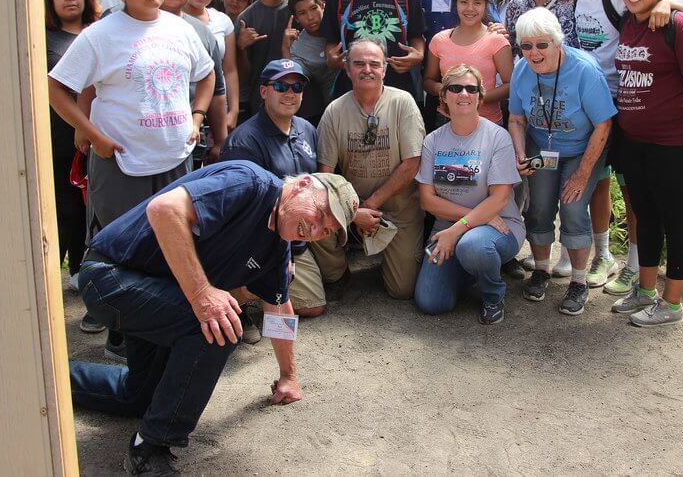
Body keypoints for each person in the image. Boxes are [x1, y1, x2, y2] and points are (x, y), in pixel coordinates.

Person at [70, 162, 356, 473]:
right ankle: (149, 448)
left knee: (140, 398)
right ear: (301, 186)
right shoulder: (250, 184)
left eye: (325, 231)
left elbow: (279, 309)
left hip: (156, 293)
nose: (315, 230)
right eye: (320, 215)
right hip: (111, 277)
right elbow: (164, 209)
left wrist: (289, 376)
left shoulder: (278, 248)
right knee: (220, 326)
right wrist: (203, 295)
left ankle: (53, 378)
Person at [48, 0, 215, 360]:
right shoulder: (101, 35)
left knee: (172, 245)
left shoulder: (180, 29)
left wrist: (196, 117)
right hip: (122, 163)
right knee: (122, 250)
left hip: (176, 158)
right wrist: (93, 136)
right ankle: (120, 333)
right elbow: (56, 89)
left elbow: (207, 74)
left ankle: (160, 331)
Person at [565, 0, 683, 293]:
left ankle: (636, 264)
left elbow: (676, 2)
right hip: (594, 102)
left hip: (626, 101)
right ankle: (604, 256)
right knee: (599, 184)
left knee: (631, 189)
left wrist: (667, 3)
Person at [609, 0, 683, 327]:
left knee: (676, 221)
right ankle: (646, 290)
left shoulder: (681, 27)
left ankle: (671, 305)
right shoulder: (628, 22)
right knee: (647, 216)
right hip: (635, 141)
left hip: (673, 144)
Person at [508, 8, 616, 315]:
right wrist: (519, 154)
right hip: (543, 149)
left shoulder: (584, 70)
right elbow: (516, 119)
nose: (534, 53)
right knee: (539, 206)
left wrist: (582, 174)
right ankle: (541, 269)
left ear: (558, 42)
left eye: (542, 45)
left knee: (572, 205)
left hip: (583, 149)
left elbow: (603, 125)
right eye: (526, 46)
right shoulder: (521, 70)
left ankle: (578, 282)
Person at [220, 59, 328, 325]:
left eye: (297, 87)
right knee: (309, 305)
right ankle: (235, 299)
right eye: (281, 86)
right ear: (264, 91)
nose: (290, 93)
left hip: (298, 235)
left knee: (323, 291)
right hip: (261, 240)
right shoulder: (244, 142)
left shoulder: (306, 129)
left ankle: (268, 286)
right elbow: (241, 214)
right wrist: (280, 257)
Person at [413, 65, 524, 324]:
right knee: (431, 302)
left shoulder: (498, 137)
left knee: (473, 245)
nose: (464, 93)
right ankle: (472, 269)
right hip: (449, 230)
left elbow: (499, 199)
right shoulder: (433, 140)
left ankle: (493, 295)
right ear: (443, 97)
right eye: (455, 88)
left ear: (479, 97)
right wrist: (464, 223)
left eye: (471, 89)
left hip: (500, 228)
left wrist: (459, 229)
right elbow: (427, 200)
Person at [316, 39, 426, 299]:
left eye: (374, 64)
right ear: (347, 69)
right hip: (352, 209)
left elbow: (412, 164)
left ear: (384, 69)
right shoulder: (334, 111)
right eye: (359, 63)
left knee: (402, 290)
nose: (367, 69)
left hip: (399, 211)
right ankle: (338, 273)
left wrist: (372, 204)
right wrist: (353, 213)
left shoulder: (403, 103)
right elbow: (325, 174)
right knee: (314, 214)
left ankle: (391, 254)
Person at [44, 0, 100, 331]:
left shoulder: (100, 33)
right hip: (61, 139)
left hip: (102, 138)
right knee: (65, 209)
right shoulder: (43, 38)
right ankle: (59, 278)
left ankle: (87, 276)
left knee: (93, 213)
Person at [155, 0, 228, 163]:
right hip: (138, 140)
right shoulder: (128, 24)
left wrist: (220, 141)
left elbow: (217, 90)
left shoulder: (202, 32)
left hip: (188, 138)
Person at [423, 0, 512, 124]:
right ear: (455, 4)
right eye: (464, 2)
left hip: (487, 122)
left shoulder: (497, 40)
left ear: (486, 6)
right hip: (447, 121)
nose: (470, 8)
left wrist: (475, 98)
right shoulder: (439, 40)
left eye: (477, 3)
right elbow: (428, 81)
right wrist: (444, 91)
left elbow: (510, 86)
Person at [185, 0, 241, 132]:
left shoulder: (222, 21)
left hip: (218, 102)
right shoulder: (174, 20)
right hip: (186, 104)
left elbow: (229, 69)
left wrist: (233, 110)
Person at [235, 0, 291, 115]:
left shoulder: (297, 6)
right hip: (262, 101)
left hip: (297, 93)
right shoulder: (246, 18)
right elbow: (243, 74)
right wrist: (241, 48)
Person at [283, 0, 337, 125]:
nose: (310, 17)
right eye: (302, 13)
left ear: (323, 6)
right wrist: (285, 48)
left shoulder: (342, 23)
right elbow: (291, 78)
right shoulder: (298, 47)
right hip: (334, 111)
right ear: (296, 19)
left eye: (314, 9)